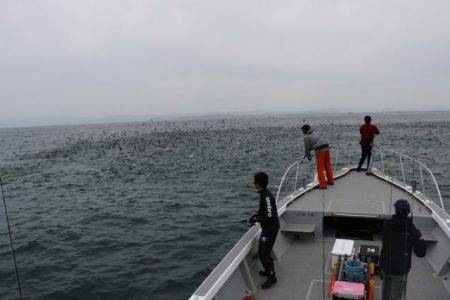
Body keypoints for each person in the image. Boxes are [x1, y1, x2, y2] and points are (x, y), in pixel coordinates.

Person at [380, 199, 426, 300]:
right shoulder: (413, 231)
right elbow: (421, 253)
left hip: (385, 266)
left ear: (395, 209)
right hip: (400, 270)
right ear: (408, 211)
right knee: (396, 296)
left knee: (385, 292)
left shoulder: (386, 224)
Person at [249, 172, 280, 289]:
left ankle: (272, 277)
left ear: (258, 183)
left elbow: (269, 216)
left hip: (271, 229)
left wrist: (257, 218)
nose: (253, 183)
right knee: (264, 251)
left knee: (263, 253)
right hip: (268, 228)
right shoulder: (263, 193)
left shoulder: (266, 197)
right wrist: (256, 215)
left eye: (254, 181)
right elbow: (264, 211)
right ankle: (268, 270)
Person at [301, 124, 334, 189]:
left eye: (302, 130)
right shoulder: (314, 133)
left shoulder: (306, 137)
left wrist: (308, 156)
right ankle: (331, 181)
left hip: (320, 151)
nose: (302, 132)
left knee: (320, 168)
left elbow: (307, 148)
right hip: (327, 148)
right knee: (327, 166)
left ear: (305, 130)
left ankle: (323, 185)